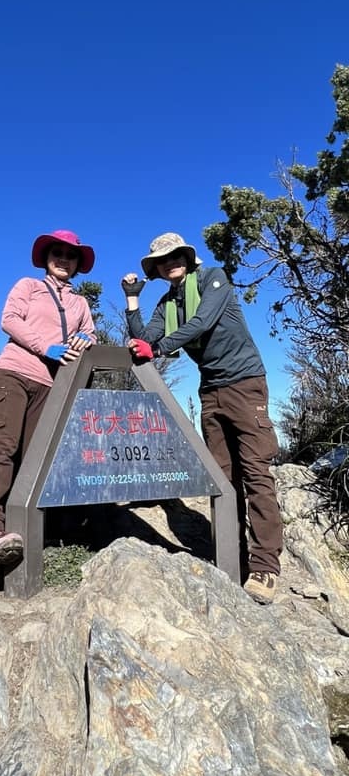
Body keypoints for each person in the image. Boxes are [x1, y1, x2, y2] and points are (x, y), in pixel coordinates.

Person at [121, 232, 283, 605]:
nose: (170, 262)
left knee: (256, 473)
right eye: (162, 260)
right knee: (223, 478)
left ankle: (264, 567)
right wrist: (132, 301)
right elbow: (143, 338)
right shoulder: (166, 303)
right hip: (210, 392)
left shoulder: (215, 278)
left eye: (176, 255)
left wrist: (158, 347)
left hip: (245, 384)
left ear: (187, 257)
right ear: (157, 269)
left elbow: (203, 322)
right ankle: (233, 557)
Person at [0, 229, 97, 572]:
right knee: (2, 445)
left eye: (70, 255)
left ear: (77, 264)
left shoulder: (80, 303)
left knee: (34, 460)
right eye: (57, 252)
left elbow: (91, 333)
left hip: (50, 385)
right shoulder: (28, 286)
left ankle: (27, 532)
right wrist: (47, 347)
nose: (63, 259)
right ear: (46, 257)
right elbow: (9, 320)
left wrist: (86, 338)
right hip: (14, 373)